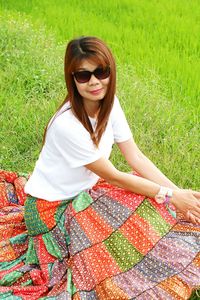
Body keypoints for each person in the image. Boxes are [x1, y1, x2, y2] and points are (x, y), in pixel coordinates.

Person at [0, 36, 199, 300]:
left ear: (110, 72)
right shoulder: (67, 125)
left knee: (153, 207)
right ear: (72, 79)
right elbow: (114, 176)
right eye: (83, 75)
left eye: (101, 72)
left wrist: (181, 195)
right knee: (112, 258)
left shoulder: (110, 103)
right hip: (52, 209)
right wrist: (172, 196)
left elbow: (135, 157)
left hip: (88, 191)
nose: (94, 82)